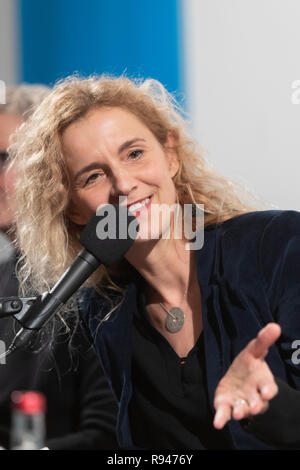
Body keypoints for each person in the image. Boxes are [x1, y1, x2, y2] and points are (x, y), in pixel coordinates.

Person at [8, 75, 300, 450]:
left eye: (134, 153)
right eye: (93, 175)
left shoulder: (275, 246)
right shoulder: (104, 312)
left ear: (171, 156)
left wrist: (271, 408)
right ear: (73, 210)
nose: (124, 184)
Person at [0, 85, 119, 450]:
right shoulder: (7, 275)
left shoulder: (102, 277)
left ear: (54, 167)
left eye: (6, 158)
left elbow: (112, 436)